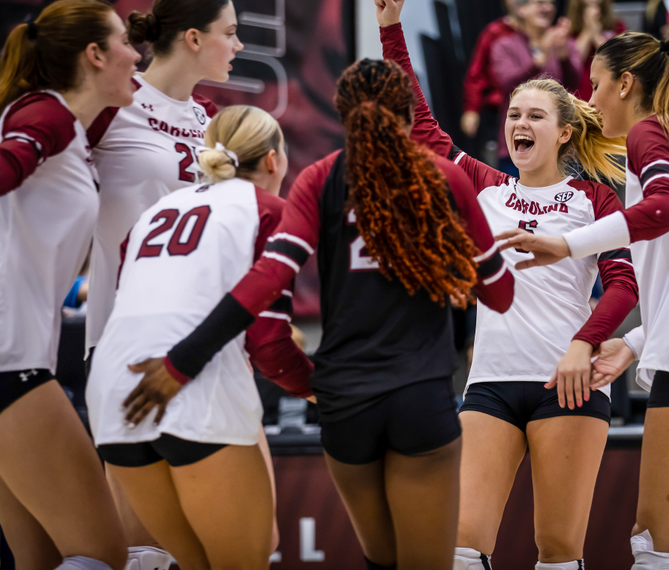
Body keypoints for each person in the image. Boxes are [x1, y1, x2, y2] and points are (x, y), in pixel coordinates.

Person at [118, 57, 516, 570]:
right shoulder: (441, 176)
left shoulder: (319, 178)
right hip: (421, 396)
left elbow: (266, 281)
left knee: (381, 560)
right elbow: (500, 295)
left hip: (344, 403)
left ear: (344, 114)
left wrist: (181, 362)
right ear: (407, 114)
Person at [375, 0, 638, 570]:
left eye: (535, 116)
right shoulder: (486, 187)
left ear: (564, 132)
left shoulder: (595, 197)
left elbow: (624, 286)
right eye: (513, 114)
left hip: (567, 386)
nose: (519, 123)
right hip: (489, 386)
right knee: (462, 549)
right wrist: (392, 29)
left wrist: (582, 346)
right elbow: (420, 124)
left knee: (559, 551)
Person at [501, 31, 669, 570]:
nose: (590, 98)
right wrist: (636, 341)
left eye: (596, 85)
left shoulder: (650, 130)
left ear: (625, 83)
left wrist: (567, 244)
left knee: (657, 551)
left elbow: (668, 207)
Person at [84, 0, 280, 567]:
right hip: (125, 338)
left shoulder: (214, 122)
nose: (239, 45)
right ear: (193, 38)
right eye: (230, 33)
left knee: (250, 543)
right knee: (146, 548)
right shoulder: (110, 104)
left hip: (209, 341)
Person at [86, 105, 314, 570]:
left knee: (182, 561)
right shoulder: (270, 210)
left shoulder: (155, 214)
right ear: (274, 161)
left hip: (113, 393)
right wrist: (323, 391)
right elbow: (269, 345)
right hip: (194, 388)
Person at [0, 0, 140, 570]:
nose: (136, 54)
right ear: (94, 54)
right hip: (11, 358)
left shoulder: (67, 122)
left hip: (17, 353)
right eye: (126, 42)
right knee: (102, 552)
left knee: (40, 556)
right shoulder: (48, 114)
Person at [490, 0, 582, 175]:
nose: (547, 8)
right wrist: (540, 58)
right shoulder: (504, 45)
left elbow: (574, 86)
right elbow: (508, 83)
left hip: (559, 147)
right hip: (518, 146)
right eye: (540, 3)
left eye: (550, 3)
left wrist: (564, 57)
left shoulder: (565, 42)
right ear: (522, 9)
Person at [461, 0, 525, 139]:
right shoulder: (494, 32)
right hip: (500, 109)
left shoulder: (540, 33)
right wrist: (471, 109)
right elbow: (476, 73)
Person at [567, 0, 626, 102]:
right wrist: (588, 30)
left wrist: (595, 35)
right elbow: (573, 61)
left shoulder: (617, 25)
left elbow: (616, 59)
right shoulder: (567, 27)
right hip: (578, 92)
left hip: (608, 90)